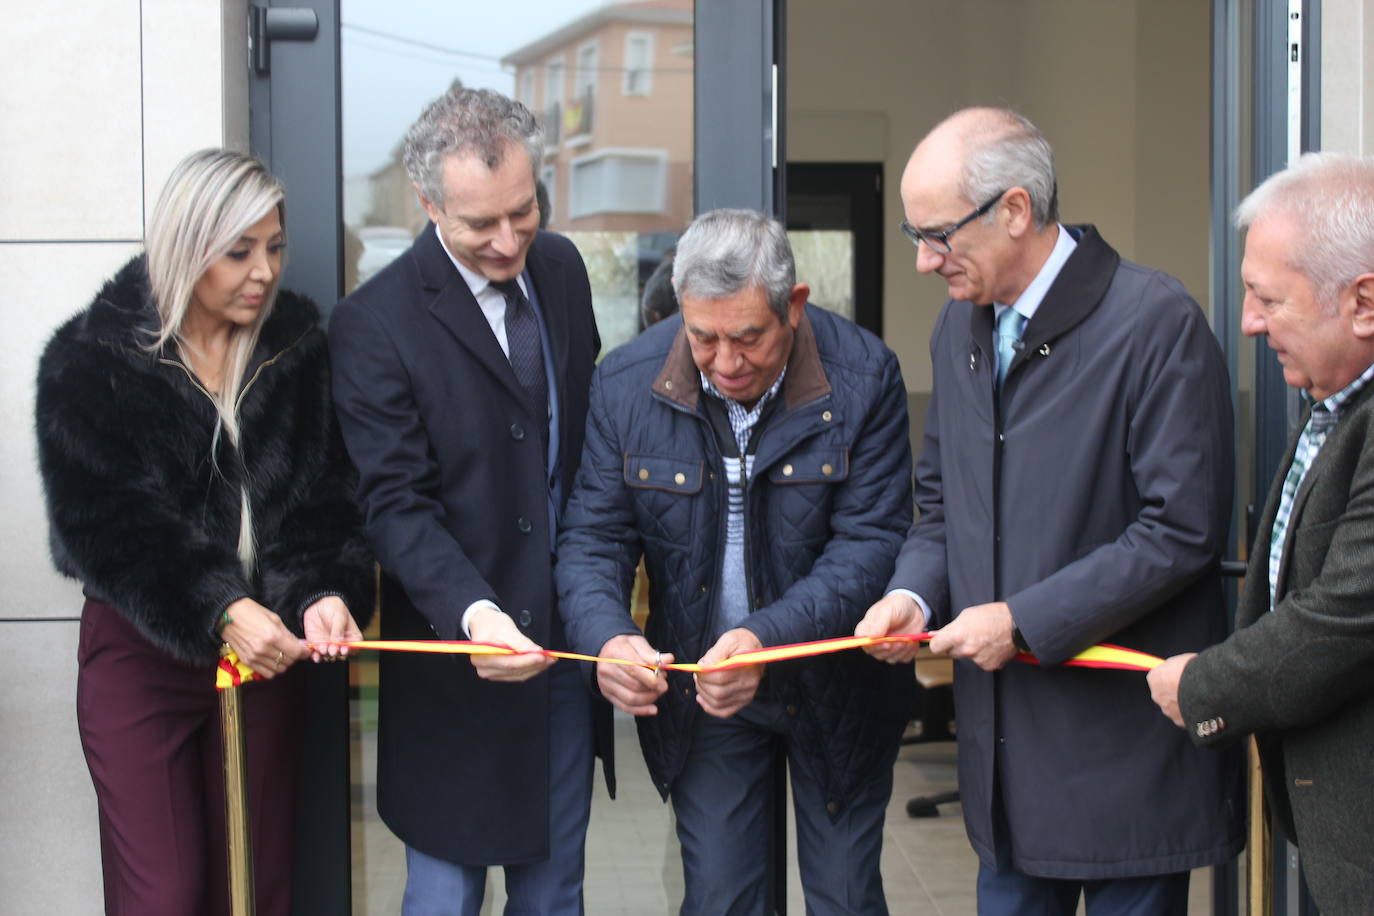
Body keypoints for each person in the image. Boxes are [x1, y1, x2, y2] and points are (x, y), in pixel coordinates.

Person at [855, 108, 1243, 913]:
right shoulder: (957, 329)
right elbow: (942, 505)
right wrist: (914, 595)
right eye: (913, 236)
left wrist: (1021, 621)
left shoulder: (1154, 322)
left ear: (1015, 209)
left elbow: (1182, 530)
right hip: (1005, 768)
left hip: (1125, 761)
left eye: (938, 236)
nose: (924, 261)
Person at [34, 148, 374, 916]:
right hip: (140, 655)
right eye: (239, 251)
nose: (264, 270)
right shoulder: (88, 360)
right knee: (163, 893)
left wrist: (321, 592)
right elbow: (105, 523)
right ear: (187, 247)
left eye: (274, 247)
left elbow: (325, 500)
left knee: (252, 886)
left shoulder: (298, 350)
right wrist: (221, 605)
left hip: (266, 656)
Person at [556, 208, 916, 914]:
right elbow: (593, 540)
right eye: (702, 337)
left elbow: (870, 546)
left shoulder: (865, 376)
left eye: (748, 337)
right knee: (722, 898)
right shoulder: (626, 384)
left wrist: (764, 637)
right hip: (707, 685)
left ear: (795, 305)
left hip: (836, 683)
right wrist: (607, 638)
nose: (725, 363)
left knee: (845, 897)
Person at [328, 86, 608, 915]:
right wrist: (476, 614)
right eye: (481, 223)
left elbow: (581, 443)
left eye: (524, 212)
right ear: (428, 204)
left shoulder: (562, 270)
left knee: (555, 895)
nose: (509, 240)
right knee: (445, 897)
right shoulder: (374, 323)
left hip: (558, 650)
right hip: (455, 658)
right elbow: (394, 503)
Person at [1147, 152, 1374, 913]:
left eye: (1267, 298)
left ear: (1364, 303)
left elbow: (1343, 617)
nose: (1247, 322)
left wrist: (1204, 686)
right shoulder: (1337, 401)